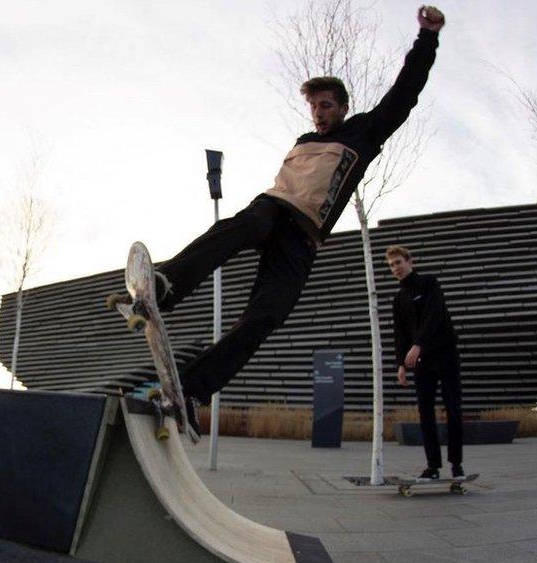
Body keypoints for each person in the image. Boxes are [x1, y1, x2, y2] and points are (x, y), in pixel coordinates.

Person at [148, 6, 446, 437]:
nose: (320, 114)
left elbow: (404, 96)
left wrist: (427, 38)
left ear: (343, 108)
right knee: (240, 228)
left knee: (264, 316)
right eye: (314, 107)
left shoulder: (363, 133)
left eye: (327, 106)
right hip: (273, 208)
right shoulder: (304, 140)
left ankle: (192, 391)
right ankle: (167, 284)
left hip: (303, 239)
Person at [386, 245, 465, 479]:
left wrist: (418, 344)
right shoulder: (399, 298)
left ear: (410, 262)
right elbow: (400, 333)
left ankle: (456, 463)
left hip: (444, 352)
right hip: (421, 360)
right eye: (391, 265)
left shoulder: (430, 283)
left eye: (399, 262)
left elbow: (434, 314)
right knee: (425, 412)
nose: (396, 268)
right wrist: (400, 364)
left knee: (453, 408)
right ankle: (433, 466)